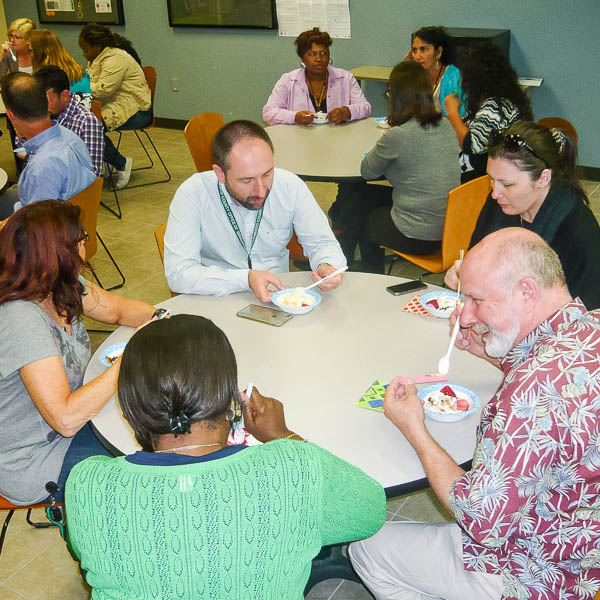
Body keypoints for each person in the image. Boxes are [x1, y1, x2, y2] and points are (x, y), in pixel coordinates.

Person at [350, 228, 600, 600]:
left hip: (537, 573)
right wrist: (492, 355)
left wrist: (414, 428)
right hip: (582, 533)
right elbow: (561, 393)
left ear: (527, 292)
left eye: (477, 300)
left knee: (367, 549)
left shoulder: (532, 390)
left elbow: (481, 520)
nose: (465, 316)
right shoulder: (589, 326)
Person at [65, 314, 386, 598]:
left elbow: (86, 550)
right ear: (231, 396)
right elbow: (369, 511)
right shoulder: (293, 467)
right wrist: (282, 436)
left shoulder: (88, 484)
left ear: (131, 404)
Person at [0, 200, 158, 505]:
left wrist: (163, 320)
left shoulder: (60, 284)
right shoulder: (21, 319)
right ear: (55, 253)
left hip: (77, 417)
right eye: (80, 237)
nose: (85, 242)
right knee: (149, 467)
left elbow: (116, 311)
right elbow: (66, 419)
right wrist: (130, 359)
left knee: (160, 429)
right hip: (37, 458)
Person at [164, 120, 346, 300]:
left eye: (267, 174)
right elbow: (178, 274)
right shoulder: (193, 194)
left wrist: (327, 264)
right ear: (220, 173)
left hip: (278, 298)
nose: (261, 190)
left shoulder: (290, 186)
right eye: (246, 180)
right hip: (217, 296)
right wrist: (246, 279)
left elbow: (322, 242)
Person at [444, 121, 600, 310]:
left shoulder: (578, 233)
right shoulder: (499, 203)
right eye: (492, 180)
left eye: (507, 185)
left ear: (543, 179)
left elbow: (586, 316)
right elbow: (477, 253)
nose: (495, 193)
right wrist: (465, 273)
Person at [332, 62, 459, 272]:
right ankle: (342, 256)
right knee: (360, 194)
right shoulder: (445, 126)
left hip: (419, 236)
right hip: (449, 229)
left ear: (396, 97)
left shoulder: (398, 135)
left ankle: (367, 275)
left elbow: (367, 170)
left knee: (361, 217)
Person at [0, 72, 96, 220]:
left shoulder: (41, 168)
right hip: (74, 218)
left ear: (10, 115)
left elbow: (37, 228)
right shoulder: (70, 137)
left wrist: (6, 225)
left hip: (53, 231)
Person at [445, 42, 533, 183]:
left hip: (481, 179)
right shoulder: (505, 99)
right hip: (494, 169)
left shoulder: (495, 107)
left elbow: (471, 145)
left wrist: (453, 113)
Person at [79, 22, 151, 189]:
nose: (84, 54)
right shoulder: (99, 56)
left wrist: (80, 84)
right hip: (114, 103)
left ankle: (122, 163)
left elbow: (102, 90)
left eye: (86, 50)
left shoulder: (116, 58)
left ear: (97, 46)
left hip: (135, 109)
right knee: (81, 124)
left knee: (89, 129)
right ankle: (103, 160)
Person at [262, 27, 371, 125]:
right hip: (299, 140)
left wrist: (346, 111)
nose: (319, 59)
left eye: (323, 53)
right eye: (312, 54)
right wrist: (295, 117)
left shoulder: (346, 78)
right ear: (302, 58)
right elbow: (268, 113)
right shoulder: (288, 80)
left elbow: (365, 107)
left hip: (337, 138)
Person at [33, 65, 104, 177]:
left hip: (67, 189)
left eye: (45, 100)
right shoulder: (44, 114)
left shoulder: (86, 122)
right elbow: (21, 143)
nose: (40, 106)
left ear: (65, 96)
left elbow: (92, 174)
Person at [406, 25, 465, 117]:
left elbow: (456, 118)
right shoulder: (416, 74)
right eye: (414, 50)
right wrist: (405, 70)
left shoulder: (453, 77)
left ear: (438, 52)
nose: (417, 56)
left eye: (423, 49)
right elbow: (401, 107)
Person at [27, 29, 92, 98]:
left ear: (39, 52)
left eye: (30, 50)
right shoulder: (80, 71)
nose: (30, 55)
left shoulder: (47, 77)